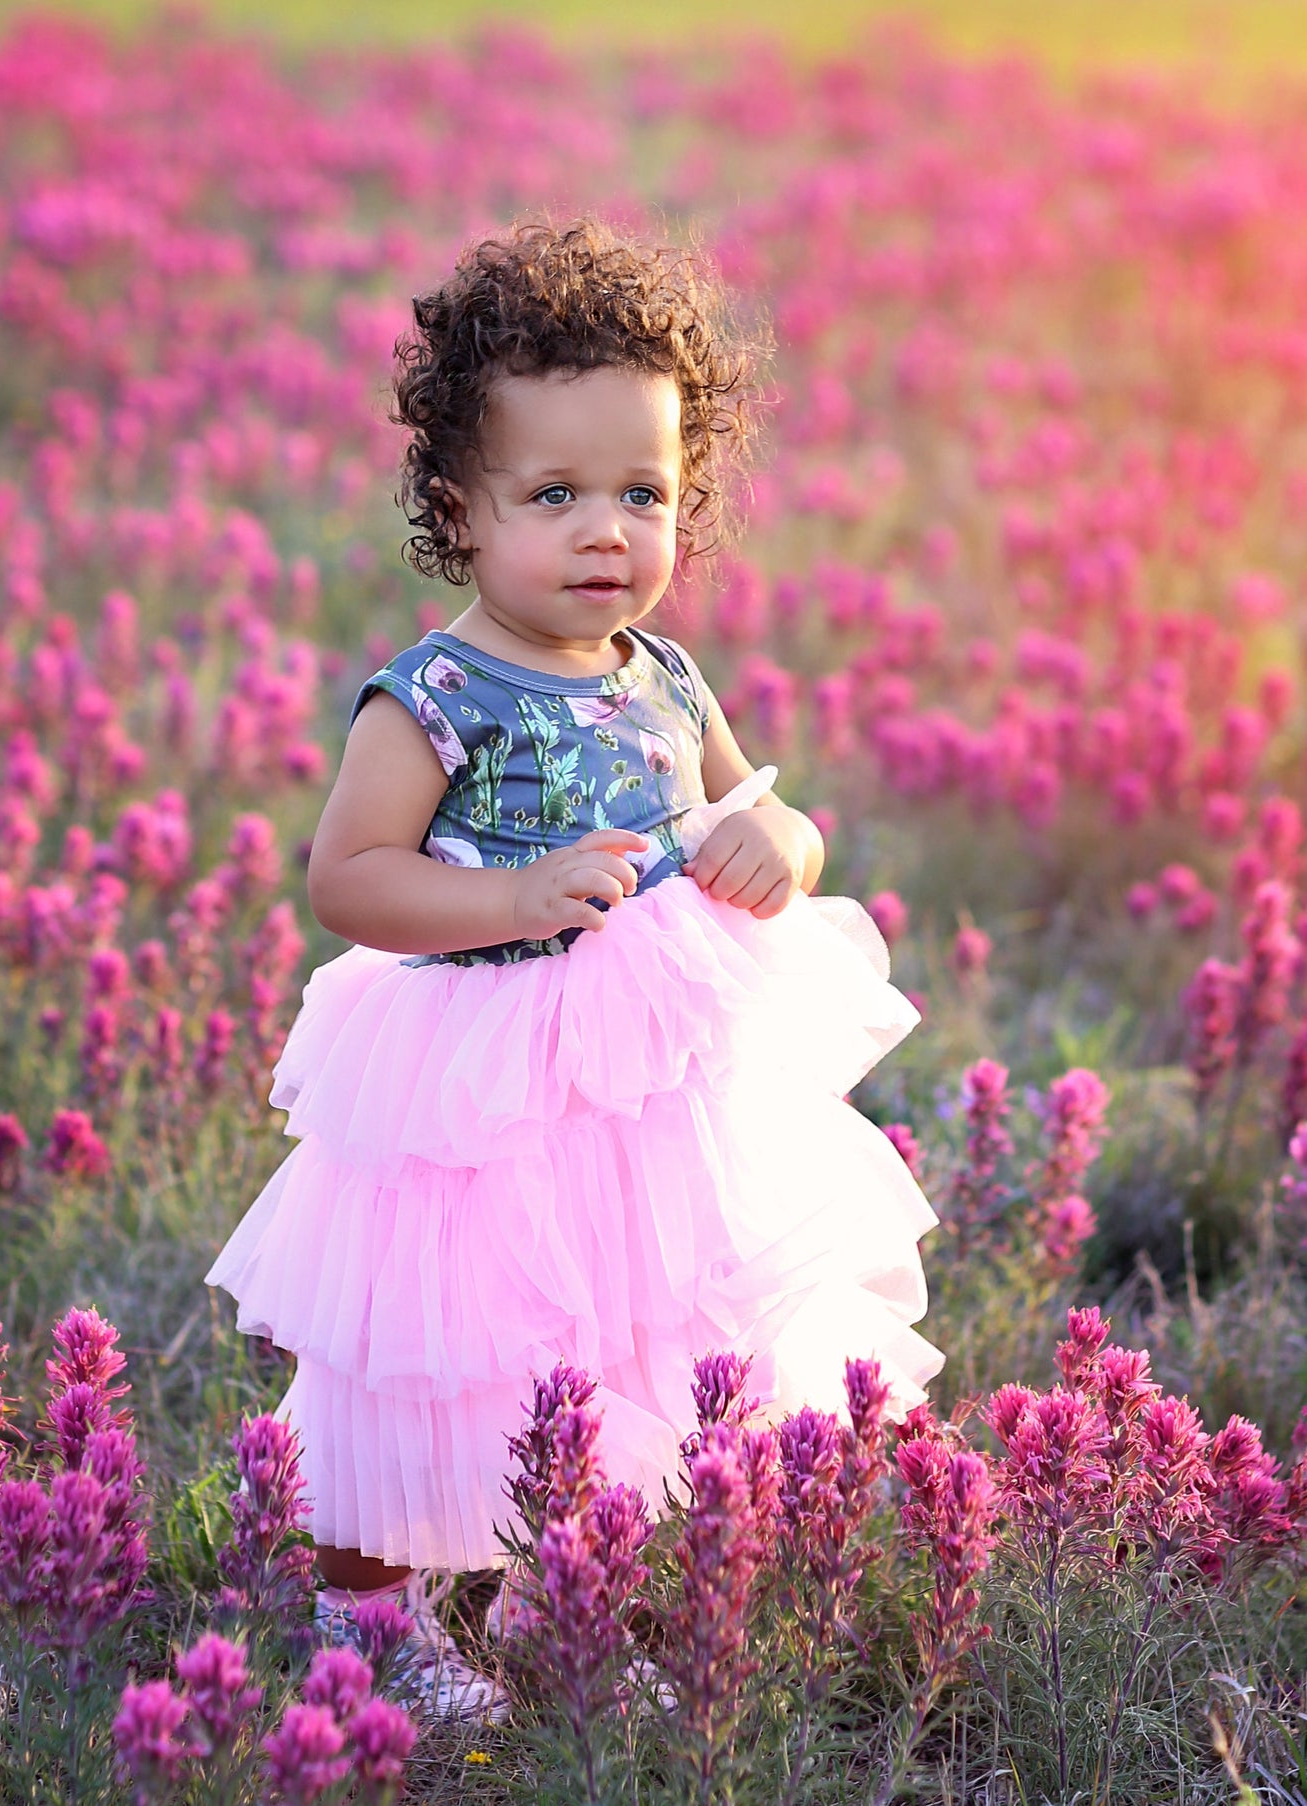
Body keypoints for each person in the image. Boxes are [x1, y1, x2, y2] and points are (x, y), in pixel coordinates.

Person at [206, 216, 942, 1717]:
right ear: (459, 511)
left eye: (642, 492)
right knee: (426, 1334)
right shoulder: (432, 695)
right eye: (554, 495)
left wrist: (778, 847)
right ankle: (373, 1605)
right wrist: (520, 891)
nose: (608, 530)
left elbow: (747, 809)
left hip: (648, 1087)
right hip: (477, 1070)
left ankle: (571, 1581)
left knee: (629, 1324)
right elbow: (349, 878)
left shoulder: (665, 676)